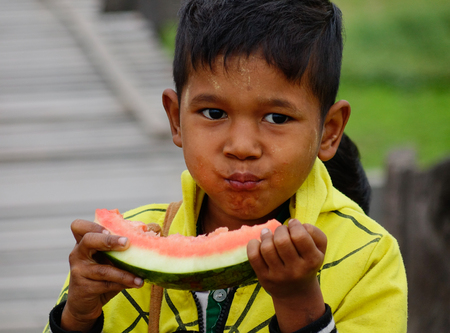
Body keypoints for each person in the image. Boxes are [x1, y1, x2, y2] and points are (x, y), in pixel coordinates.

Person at [44, 0, 407, 332]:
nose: (241, 147)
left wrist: (299, 305)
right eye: (214, 113)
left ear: (328, 132)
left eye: (277, 118)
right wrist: (77, 316)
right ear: (176, 120)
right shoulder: (122, 254)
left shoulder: (369, 257)